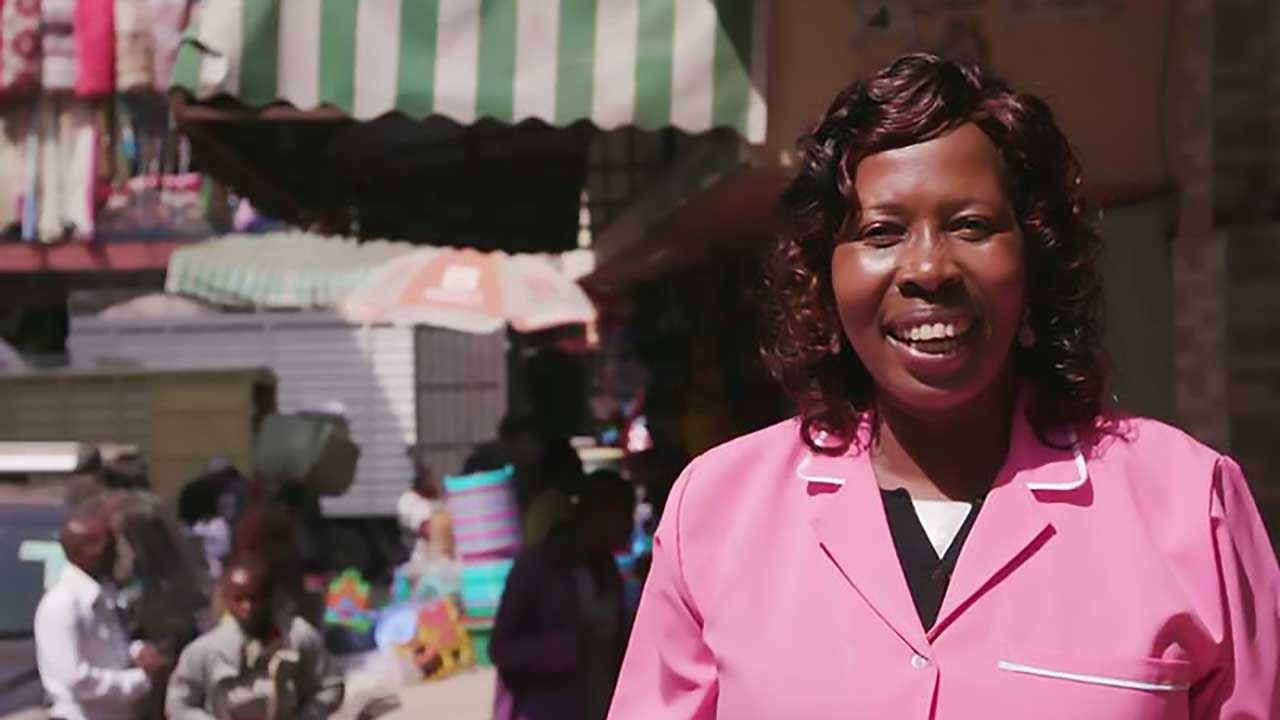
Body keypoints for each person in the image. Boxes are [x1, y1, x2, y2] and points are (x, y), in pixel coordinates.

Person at [608, 54, 1280, 719]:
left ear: (1035, 263)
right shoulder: (717, 512)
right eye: (881, 232)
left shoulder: (1191, 507)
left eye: (971, 226)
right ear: (824, 282)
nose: (929, 268)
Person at [491, 470, 637, 720]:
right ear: (599, 513)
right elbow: (501, 649)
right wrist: (569, 647)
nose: (631, 527)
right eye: (625, 516)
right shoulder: (536, 567)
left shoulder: (608, 569)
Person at [33, 502, 171, 720]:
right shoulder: (62, 604)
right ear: (91, 550)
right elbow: (75, 679)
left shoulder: (104, 594)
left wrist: (138, 652)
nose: (117, 553)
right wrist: (141, 679)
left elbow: (111, 645)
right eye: (111, 545)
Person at [166, 555, 344, 720]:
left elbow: (331, 686)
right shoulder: (204, 651)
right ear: (226, 600)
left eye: (255, 598)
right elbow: (178, 705)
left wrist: (306, 716)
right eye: (239, 599)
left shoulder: (298, 636)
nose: (248, 607)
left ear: (271, 596)